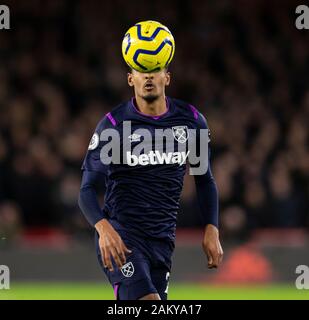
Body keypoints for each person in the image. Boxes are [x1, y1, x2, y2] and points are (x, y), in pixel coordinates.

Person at [78, 67, 223, 300]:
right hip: (122, 237)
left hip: (162, 240)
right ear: (130, 79)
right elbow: (86, 190)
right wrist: (104, 229)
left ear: (167, 77)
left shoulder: (191, 122)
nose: (148, 76)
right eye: (141, 71)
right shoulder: (114, 125)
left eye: (155, 70)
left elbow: (205, 180)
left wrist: (212, 228)